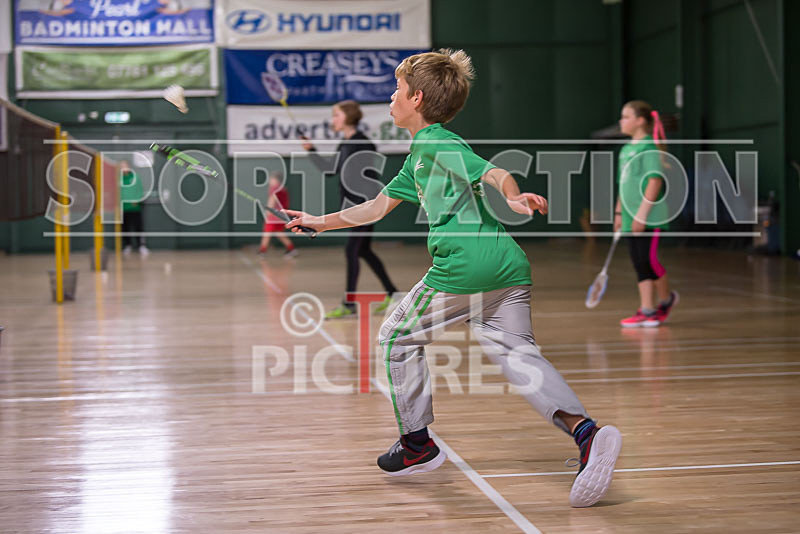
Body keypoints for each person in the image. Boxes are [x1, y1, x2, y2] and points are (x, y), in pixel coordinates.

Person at [286, 49, 622, 508]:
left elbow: (491, 171)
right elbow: (375, 208)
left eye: (397, 89)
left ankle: (417, 444)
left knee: (394, 338)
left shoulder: (438, 143)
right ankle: (587, 434)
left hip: (465, 269)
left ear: (417, 97)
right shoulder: (419, 155)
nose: (391, 95)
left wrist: (514, 195)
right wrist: (318, 222)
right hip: (507, 267)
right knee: (519, 357)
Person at [301, 100, 398, 319]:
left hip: (364, 206)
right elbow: (330, 169)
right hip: (354, 206)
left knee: (352, 250)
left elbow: (369, 175)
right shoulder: (345, 143)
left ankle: (349, 304)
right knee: (363, 251)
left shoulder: (362, 142)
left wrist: (367, 205)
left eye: (336, 115)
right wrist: (312, 150)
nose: (332, 119)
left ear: (347, 117)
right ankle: (392, 293)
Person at [615, 101, 679, 327]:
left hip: (649, 216)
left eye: (625, 117)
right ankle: (647, 309)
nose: (621, 121)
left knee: (648, 259)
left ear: (640, 121)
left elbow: (654, 182)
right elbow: (623, 184)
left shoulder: (649, 148)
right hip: (630, 215)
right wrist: (619, 213)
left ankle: (666, 300)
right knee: (637, 262)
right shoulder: (625, 150)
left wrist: (641, 216)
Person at [258, 171, 297, 258]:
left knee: (267, 232)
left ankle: (262, 252)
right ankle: (291, 249)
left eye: (271, 179)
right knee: (279, 233)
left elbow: (272, 199)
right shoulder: (283, 189)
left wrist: (268, 211)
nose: (270, 181)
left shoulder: (275, 188)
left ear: (276, 180)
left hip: (274, 215)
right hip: (282, 214)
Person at [120, 160, 149, 257]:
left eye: (125, 166)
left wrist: (137, 200)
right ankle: (127, 246)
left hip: (135, 208)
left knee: (138, 227)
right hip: (123, 209)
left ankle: (142, 246)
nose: (123, 168)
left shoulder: (135, 178)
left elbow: (139, 190)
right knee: (125, 228)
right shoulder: (118, 179)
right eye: (121, 166)